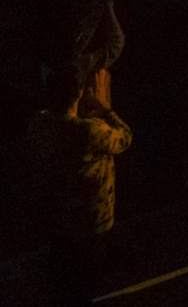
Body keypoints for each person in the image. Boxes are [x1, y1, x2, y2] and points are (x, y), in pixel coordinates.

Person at [30, 58, 132, 306]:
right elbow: (125, 138)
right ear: (78, 92)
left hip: (59, 221)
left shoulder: (39, 125)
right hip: (91, 223)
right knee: (84, 285)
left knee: (64, 284)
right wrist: (105, 108)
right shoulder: (90, 131)